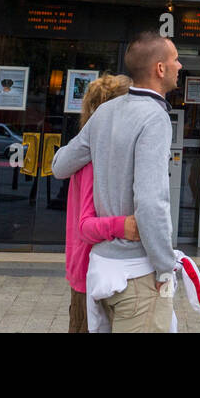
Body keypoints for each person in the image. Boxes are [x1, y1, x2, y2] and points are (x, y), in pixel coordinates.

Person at [51, 31, 180, 333]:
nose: (180, 66)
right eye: (175, 60)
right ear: (160, 69)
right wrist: (165, 266)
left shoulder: (106, 112)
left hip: (100, 269)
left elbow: (60, 166)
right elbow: (151, 202)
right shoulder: (154, 118)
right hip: (136, 273)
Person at [64, 74, 140, 333]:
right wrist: (125, 226)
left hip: (97, 273)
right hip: (92, 277)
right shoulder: (91, 162)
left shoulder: (87, 154)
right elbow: (85, 225)